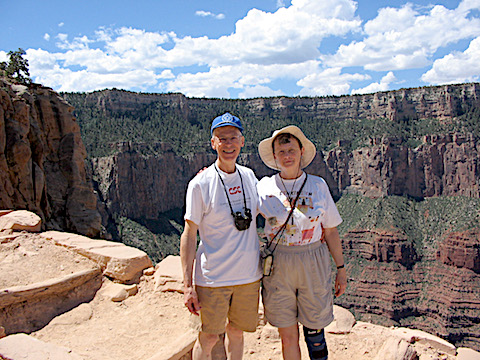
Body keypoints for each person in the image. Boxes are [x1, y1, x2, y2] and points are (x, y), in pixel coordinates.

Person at [257, 125, 347, 360]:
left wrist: (341, 268)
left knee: (315, 334)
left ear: (301, 151)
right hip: (279, 263)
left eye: (291, 150)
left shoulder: (318, 185)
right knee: (288, 336)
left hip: (313, 260)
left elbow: (330, 231)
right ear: (274, 156)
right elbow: (236, 209)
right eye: (281, 151)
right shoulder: (263, 186)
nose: (287, 156)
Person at [180, 112, 262, 360]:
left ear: (242, 141)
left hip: (248, 277)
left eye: (233, 138)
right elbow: (189, 234)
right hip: (213, 278)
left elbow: (272, 209)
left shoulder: (249, 176)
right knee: (209, 337)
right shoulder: (200, 183)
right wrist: (187, 287)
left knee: (237, 333)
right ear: (213, 143)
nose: (228, 144)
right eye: (222, 138)